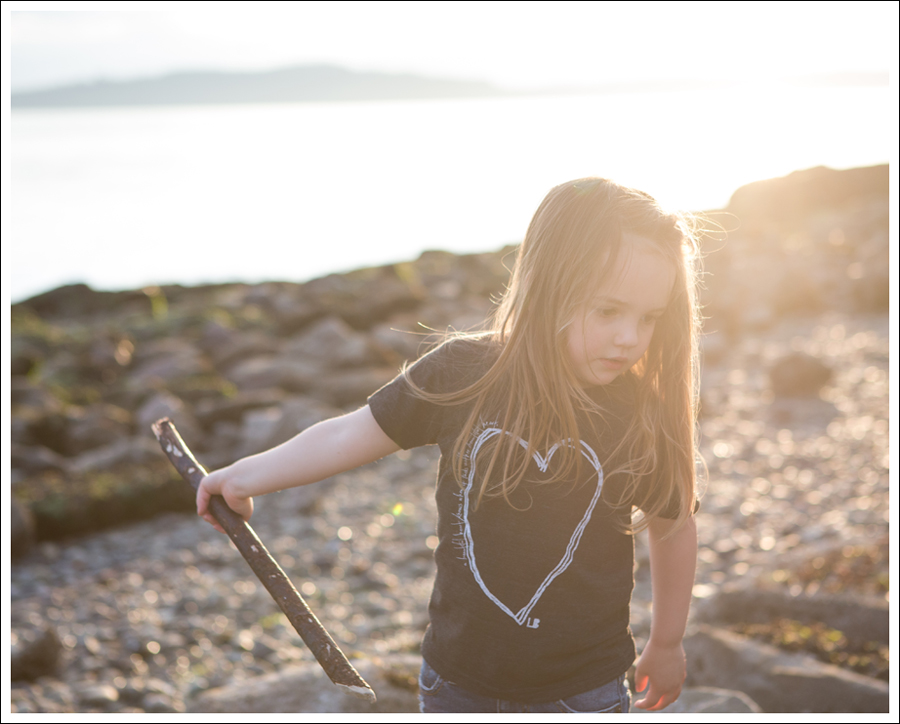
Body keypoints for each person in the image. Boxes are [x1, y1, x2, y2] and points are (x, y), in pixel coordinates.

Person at [197, 177, 702, 713]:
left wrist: (666, 642)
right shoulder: (464, 374)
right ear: (552, 284)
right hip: (457, 684)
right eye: (609, 311)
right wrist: (246, 476)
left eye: (649, 318)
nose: (630, 336)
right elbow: (350, 432)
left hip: (584, 691)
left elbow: (673, 527)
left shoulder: (639, 411)